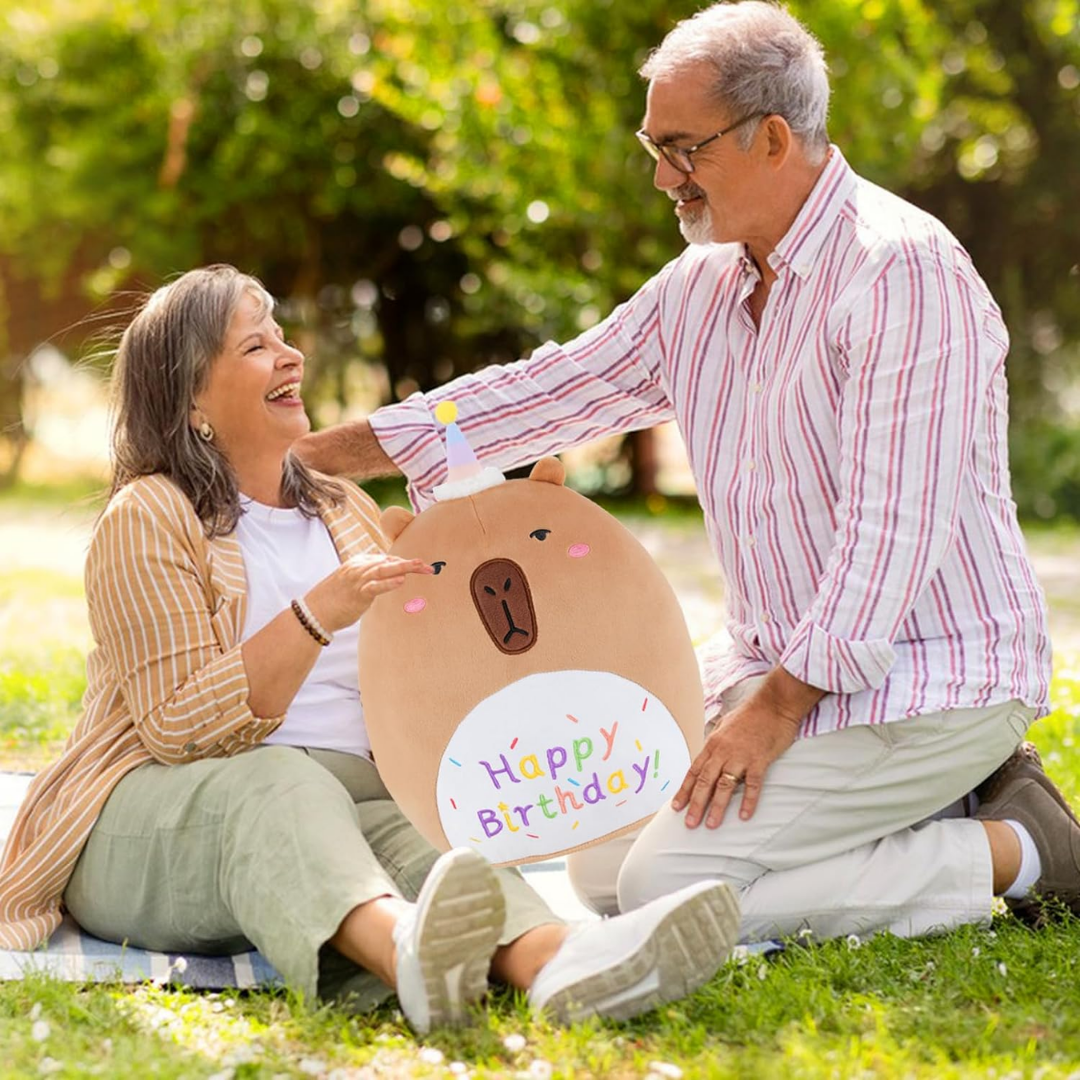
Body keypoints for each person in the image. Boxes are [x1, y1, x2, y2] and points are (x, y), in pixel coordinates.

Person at [297, 1, 1079, 941]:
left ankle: (1022, 849)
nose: (664, 177)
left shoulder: (902, 272)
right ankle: (929, 805)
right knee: (597, 864)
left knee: (662, 883)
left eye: (683, 149)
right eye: (654, 147)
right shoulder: (702, 285)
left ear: (772, 139)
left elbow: (891, 537)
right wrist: (321, 455)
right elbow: (548, 390)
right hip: (775, 669)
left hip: (929, 675)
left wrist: (772, 715)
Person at [0, 265, 742, 1032]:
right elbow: (179, 728)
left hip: (344, 798)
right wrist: (317, 612)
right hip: (158, 823)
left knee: (431, 843)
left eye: (282, 337)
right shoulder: (150, 516)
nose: (290, 356)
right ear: (191, 400)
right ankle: (405, 952)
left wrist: (534, 539)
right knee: (282, 782)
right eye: (255, 346)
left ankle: (562, 961)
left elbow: (440, 669)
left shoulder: (343, 508)